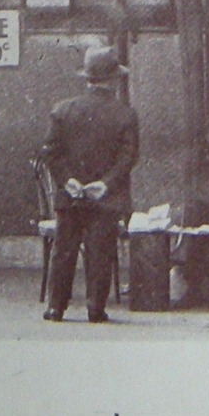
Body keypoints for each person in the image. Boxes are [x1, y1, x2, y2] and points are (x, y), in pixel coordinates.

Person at [40, 44, 139, 324]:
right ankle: (96, 307)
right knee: (100, 251)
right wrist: (105, 184)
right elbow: (129, 157)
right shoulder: (125, 114)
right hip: (104, 198)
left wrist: (67, 180)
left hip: (69, 195)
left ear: (87, 78)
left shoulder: (62, 110)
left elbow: (50, 152)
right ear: (114, 79)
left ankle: (55, 307)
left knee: (64, 249)